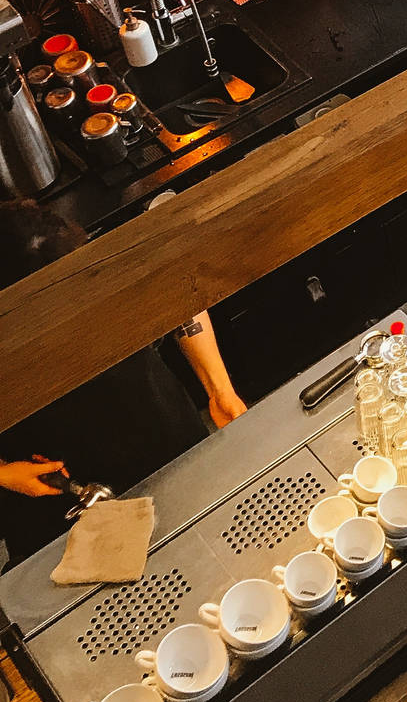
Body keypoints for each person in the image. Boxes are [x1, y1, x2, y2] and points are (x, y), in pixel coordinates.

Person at [0, 200, 247, 565]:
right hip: (51, 485)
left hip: (159, 427)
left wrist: (219, 388)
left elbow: (180, 296)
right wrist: (5, 474)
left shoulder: (94, 269)